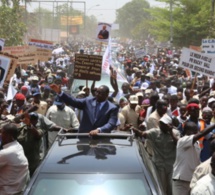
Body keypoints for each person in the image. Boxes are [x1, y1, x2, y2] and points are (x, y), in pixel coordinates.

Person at [134, 114, 180, 195]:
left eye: (164, 124)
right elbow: (142, 134)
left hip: (171, 165)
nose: (162, 125)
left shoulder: (176, 133)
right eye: (161, 123)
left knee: (171, 187)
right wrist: (135, 129)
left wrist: (171, 132)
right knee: (160, 187)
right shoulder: (155, 132)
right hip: (159, 165)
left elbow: (178, 144)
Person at [50, 84, 118, 135]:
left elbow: (111, 124)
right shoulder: (88, 101)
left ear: (107, 95)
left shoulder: (112, 108)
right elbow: (73, 101)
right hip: (84, 138)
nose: (97, 94)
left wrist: (99, 130)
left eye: (100, 93)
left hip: (101, 140)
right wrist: (60, 93)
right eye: (97, 92)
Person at [172, 121, 215, 195]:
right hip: (181, 181)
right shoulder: (182, 141)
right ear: (187, 131)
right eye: (194, 131)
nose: (197, 132)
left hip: (192, 180)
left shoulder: (197, 144)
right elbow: (201, 134)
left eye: (197, 130)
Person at [0, 123, 29, 194]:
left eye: (2, 133)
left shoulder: (6, 153)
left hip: (7, 192)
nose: (0, 135)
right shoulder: (18, 146)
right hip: (19, 189)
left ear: (9, 136)